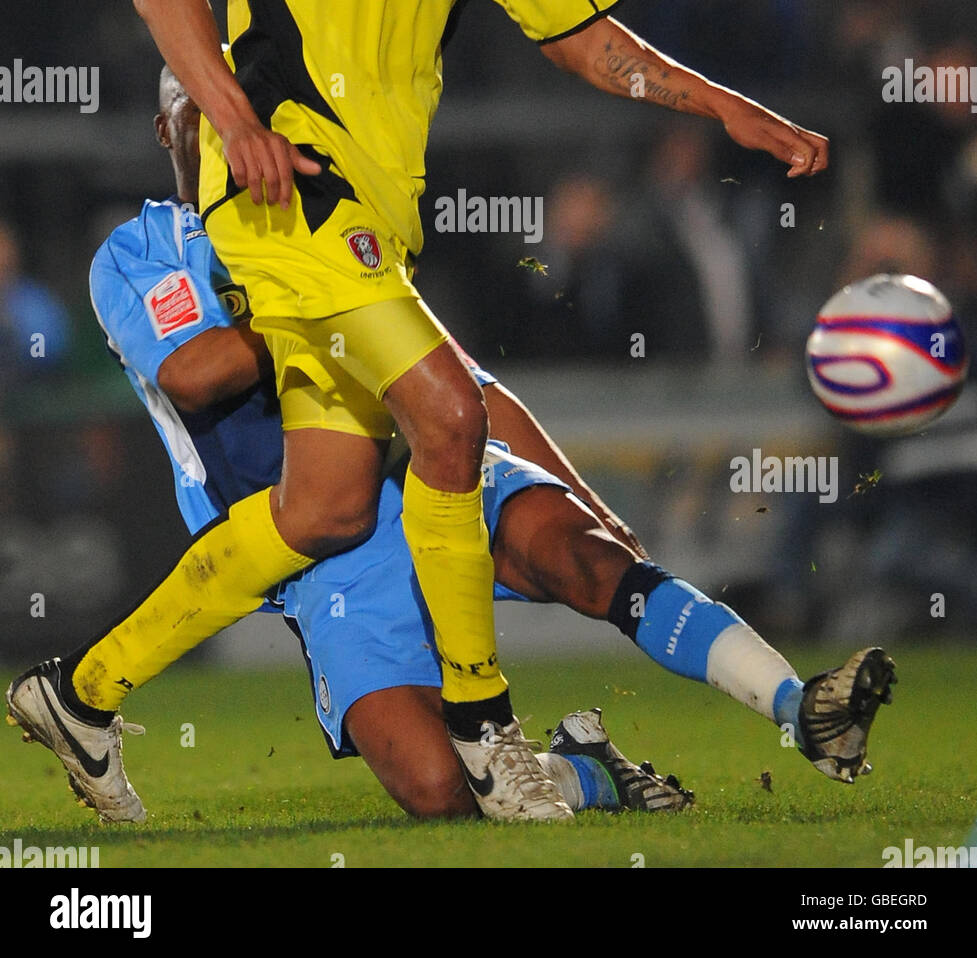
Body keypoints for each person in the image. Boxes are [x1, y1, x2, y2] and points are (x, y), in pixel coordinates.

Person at [12, 0, 829, 822]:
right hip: (291, 195)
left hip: (369, 234)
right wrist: (238, 123)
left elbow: (579, 30)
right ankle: (493, 727)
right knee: (442, 407)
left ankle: (82, 693)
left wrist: (720, 103)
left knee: (328, 502)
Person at [9, 74, 888, 824]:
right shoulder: (142, 248)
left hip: (417, 467)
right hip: (319, 550)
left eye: (241, 107)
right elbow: (197, 372)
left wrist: (584, 497)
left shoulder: (320, 217)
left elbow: (459, 384)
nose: (225, 131)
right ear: (170, 128)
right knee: (435, 790)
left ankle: (799, 706)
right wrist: (316, 304)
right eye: (202, 111)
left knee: (587, 559)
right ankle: (585, 769)